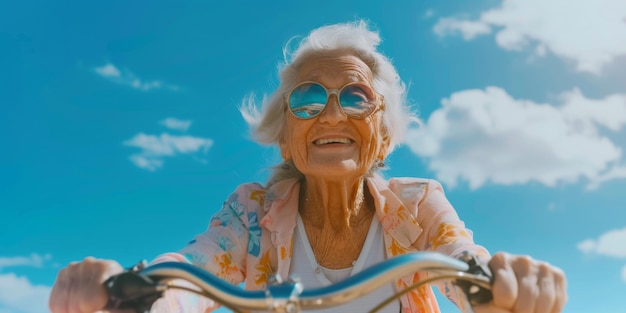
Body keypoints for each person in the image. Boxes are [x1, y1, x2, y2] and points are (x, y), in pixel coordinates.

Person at [49, 20, 567, 313]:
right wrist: (132, 296)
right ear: (286, 141)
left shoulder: (418, 202)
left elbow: (462, 260)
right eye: (308, 100)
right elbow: (194, 272)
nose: (332, 112)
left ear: (383, 135)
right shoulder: (252, 210)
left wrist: (502, 289)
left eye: (356, 96)